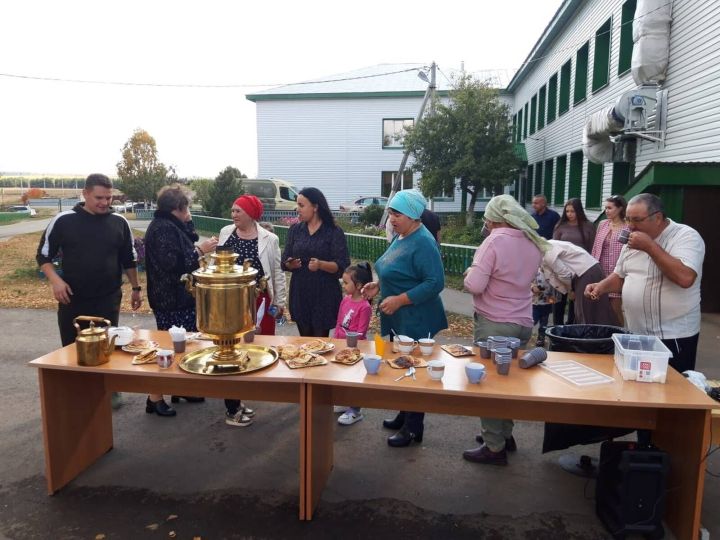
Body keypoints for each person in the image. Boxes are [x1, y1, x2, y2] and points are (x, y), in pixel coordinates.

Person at [36, 173, 142, 410]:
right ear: (85, 194)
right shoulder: (64, 220)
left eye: (109, 197)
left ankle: (108, 389)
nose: (105, 203)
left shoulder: (119, 222)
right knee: (73, 346)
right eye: (99, 198)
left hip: (108, 296)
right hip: (72, 297)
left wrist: (136, 288)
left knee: (106, 345)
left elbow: (129, 259)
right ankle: (76, 393)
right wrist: (55, 281)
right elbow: (43, 256)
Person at [462, 194, 546, 466]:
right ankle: (504, 435)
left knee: (489, 386)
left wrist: (467, 274)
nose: (485, 224)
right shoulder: (531, 240)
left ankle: (493, 447)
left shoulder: (494, 242)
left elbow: (475, 285)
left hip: (494, 321)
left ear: (495, 219)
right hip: (523, 320)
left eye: (486, 219)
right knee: (508, 384)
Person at [362, 189, 447, 448]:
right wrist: (378, 286)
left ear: (412, 214)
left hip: (417, 318)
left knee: (414, 371)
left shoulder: (423, 241)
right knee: (402, 366)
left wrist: (400, 299)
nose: (391, 219)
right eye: (390, 213)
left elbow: (436, 282)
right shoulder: (401, 236)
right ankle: (404, 414)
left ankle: (413, 427)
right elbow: (395, 269)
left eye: (396, 213)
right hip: (400, 319)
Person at [585, 193, 705, 372]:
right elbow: (620, 276)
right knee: (636, 388)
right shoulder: (633, 238)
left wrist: (649, 247)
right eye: (628, 219)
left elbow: (685, 278)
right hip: (636, 334)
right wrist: (601, 287)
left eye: (637, 220)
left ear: (657, 218)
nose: (631, 226)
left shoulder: (686, 236)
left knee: (671, 392)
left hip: (673, 336)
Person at [144, 185, 218, 417]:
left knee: (185, 347)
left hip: (181, 297)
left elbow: (190, 237)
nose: (189, 212)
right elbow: (173, 263)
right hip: (170, 299)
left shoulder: (172, 224)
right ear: (177, 207)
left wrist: (188, 221)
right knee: (170, 348)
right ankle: (154, 397)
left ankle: (179, 388)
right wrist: (199, 251)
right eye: (186, 208)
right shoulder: (162, 229)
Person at [218, 195, 287, 427]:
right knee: (232, 350)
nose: (233, 215)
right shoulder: (226, 232)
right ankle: (232, 406)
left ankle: (245, 395)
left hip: (260, 301)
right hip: (231, 301)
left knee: (259, 348)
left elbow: (277, 272)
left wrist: (281, 301)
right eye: (233, 210)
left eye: (238, 211)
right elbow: (218, 265)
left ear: (251, 214)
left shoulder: (270, 238)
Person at [282, 187, 350, 337]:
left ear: (315, 207)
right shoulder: (295, 230)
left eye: (301, 205)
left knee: (320, 344)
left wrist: (321, 265)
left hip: (324, 295)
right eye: (297, 205)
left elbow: (342, 264)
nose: (297, 209)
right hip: (300, 293)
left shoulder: (333, 231)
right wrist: (290, 264)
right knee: (305, 342)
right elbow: (284, 260)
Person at [333, 262, 373, 426]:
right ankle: (345, 402)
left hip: (356, 349)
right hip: (341, 345)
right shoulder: (345, 300)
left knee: (355, 380)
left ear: (358, 286)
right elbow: (339, 322)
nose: (343, 285)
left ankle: (355, 410)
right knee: (342, 376)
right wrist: (336, 340)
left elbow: (360, 332)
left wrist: (349, 344)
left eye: (346, 282)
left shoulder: (364, 307)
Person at [542, 240, 617, 326]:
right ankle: (604, 336)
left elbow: (564, 274)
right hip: (589, 270)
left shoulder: (546, 251)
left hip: (585, 273)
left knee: (586, 315)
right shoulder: (546, 246)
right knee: (594, 313)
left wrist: (570, 291)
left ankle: (599, 337)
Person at [553, 198, 596, 325]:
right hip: (562, 268)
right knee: (559, 301)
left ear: (579, 211)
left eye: (573, 211)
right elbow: (553, 248)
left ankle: (572, 328)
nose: (570, 214)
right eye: (567, 211)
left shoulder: (588, 226)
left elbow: (592, 248)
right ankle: (557, 328)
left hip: (580, 269)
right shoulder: (560, 226)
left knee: (576, 302)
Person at [591, 195, 629, 326]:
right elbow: (596, 247)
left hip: (617, 273)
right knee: (601, 308)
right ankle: (605, 336)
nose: (606, 211)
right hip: (601, 272)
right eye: (605, 208)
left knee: (615, 309)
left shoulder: (627, 226)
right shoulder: (602, 224)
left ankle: (620, 333)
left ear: (620, 209)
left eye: (610, 208)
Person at [531, 267, 560, 348]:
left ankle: (541, 338)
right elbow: (528, 281)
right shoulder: (535, 271)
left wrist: (553, 298)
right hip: (535, 303)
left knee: (544, 323)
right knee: (533, 320)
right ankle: (526, 333)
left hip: (547, 303)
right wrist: (533, 287)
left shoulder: (552, 273)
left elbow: (555, 287)